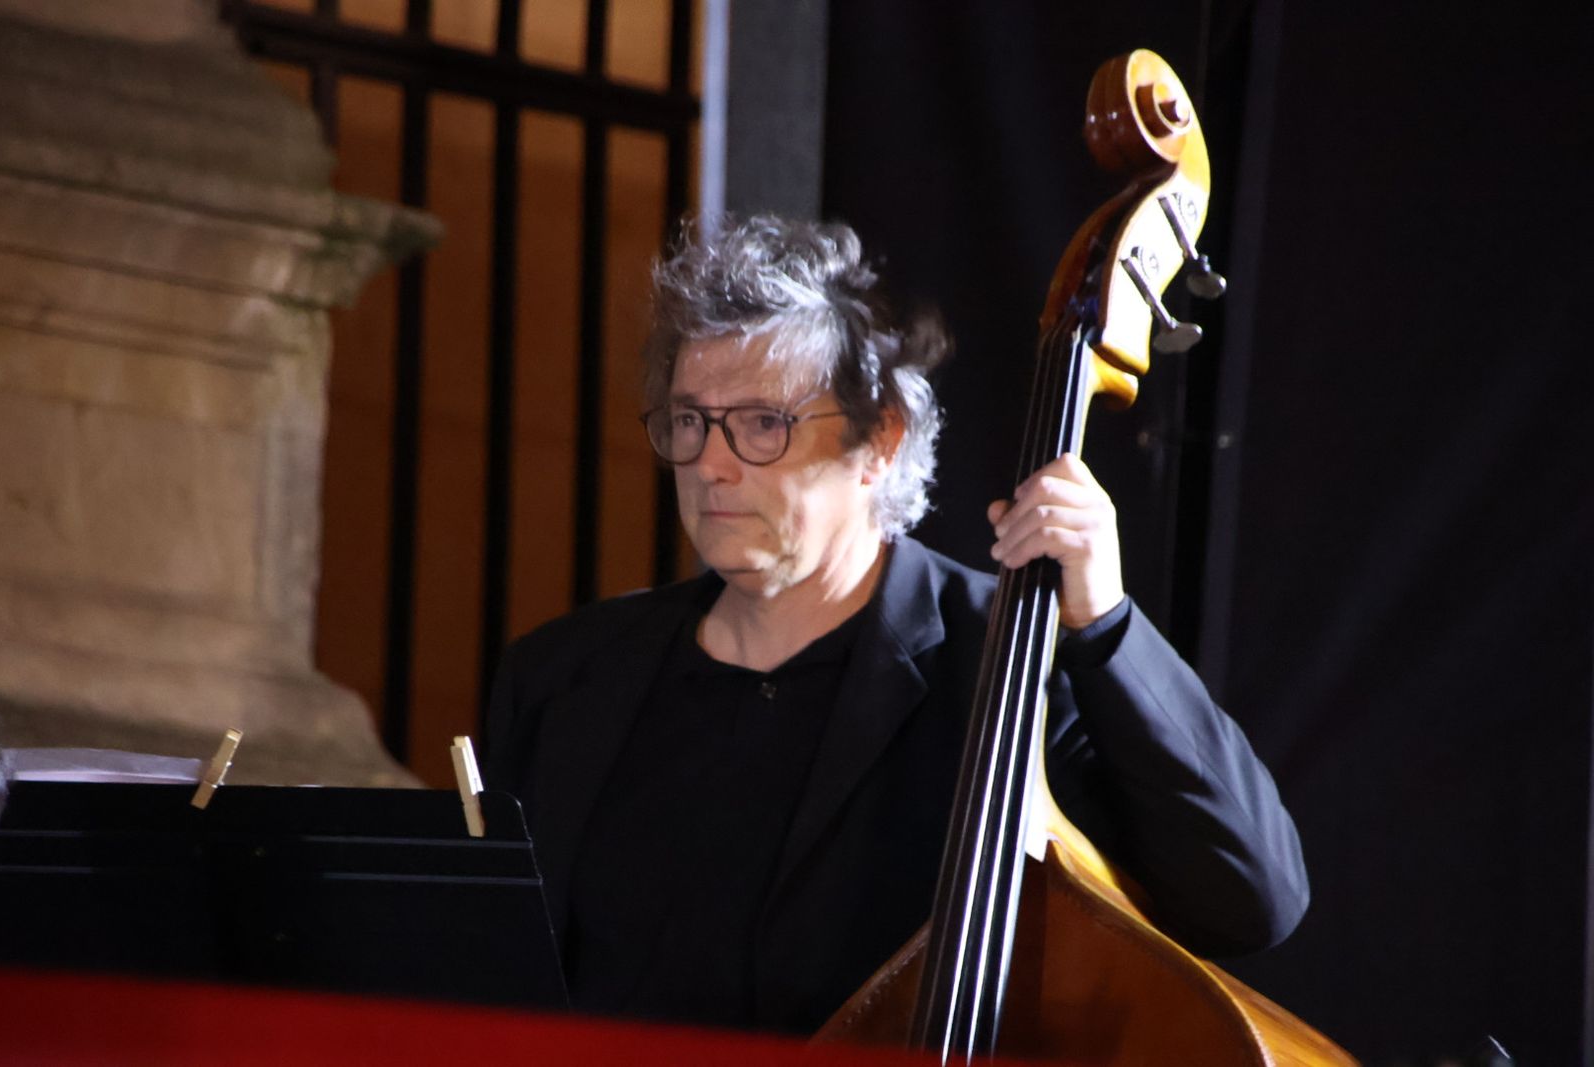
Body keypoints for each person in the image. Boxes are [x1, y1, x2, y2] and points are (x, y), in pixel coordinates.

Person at [484, 214, 1307, 1034]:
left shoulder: (1011, 665)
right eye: (690, 419)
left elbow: (1252, 895)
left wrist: (1105, 622)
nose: (709, 463)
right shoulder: (563, 677)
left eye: (764, 422)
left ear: (880, 439)